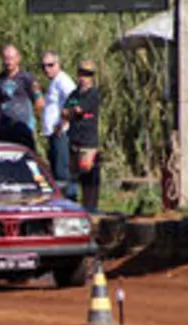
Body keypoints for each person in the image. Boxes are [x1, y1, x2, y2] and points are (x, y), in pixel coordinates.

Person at [62, 60, 101, 213]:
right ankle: (76, 208)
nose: (84, 77)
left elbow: (78, 110)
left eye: (88, 74)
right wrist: (73, 112)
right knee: (74, 177)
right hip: (74, 139)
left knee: (89, 176)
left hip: (88, 142)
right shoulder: (74, 93)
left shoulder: (93, 94)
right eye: (82, 73)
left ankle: (91, 208)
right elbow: (65, 111)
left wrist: (73, 112)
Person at [0, 44, 44, 152]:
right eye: (6, 58)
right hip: (5, 128)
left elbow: (40, 102)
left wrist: (31, 120)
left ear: (18, 58)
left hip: (23, 127)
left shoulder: (27, 78)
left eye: (11, 58)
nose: (8, 62)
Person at [39, 51, 77, 200]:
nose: (47, 69)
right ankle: (62, 201)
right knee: (56, 171)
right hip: (54, 134)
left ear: (58, 64)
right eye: (44, 66)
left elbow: (74, 100)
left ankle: (69, 203)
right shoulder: (54, 81)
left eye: (50, 65)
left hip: (61, 134)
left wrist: (64, 122)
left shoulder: (63, 80)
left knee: (62, 173)